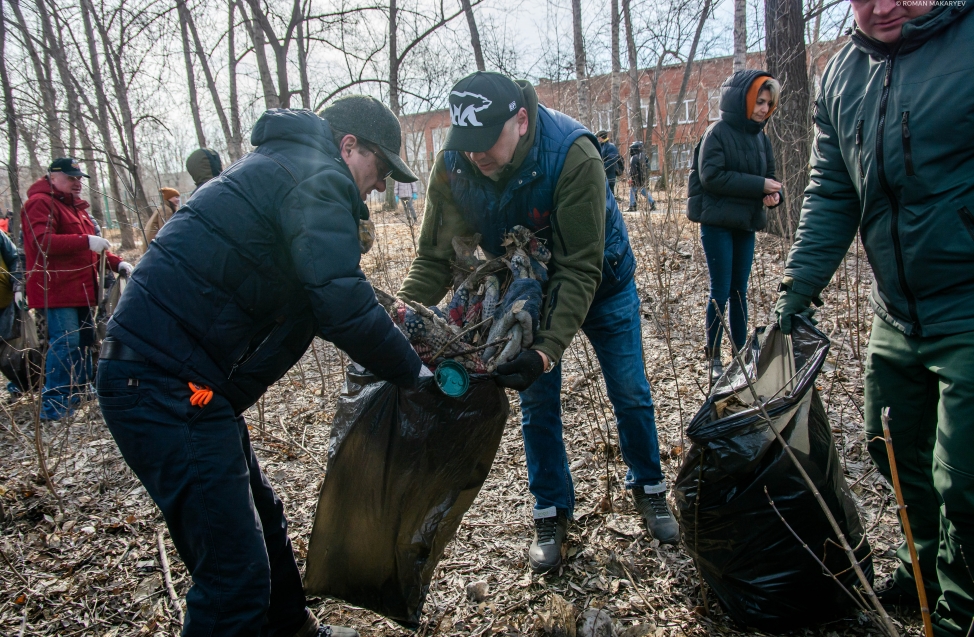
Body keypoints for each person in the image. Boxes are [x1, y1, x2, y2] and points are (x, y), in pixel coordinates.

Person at [98, 97, 427, 637]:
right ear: (349, 147)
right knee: (233, 578)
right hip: (164, 386)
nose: (381, 185)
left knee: (263, 519)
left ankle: (294, 631)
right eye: (380, 168)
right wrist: (412, 373)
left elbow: (317, 293)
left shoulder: (288, 165)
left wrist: (382, 316)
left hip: (182, 384)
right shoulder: (317, 176)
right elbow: (339, 305)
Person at [399, 71, 677, 575]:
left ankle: (650, 486)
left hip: (602, 282)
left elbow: (578, 267)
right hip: (525, 291)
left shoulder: (573, 154)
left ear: (521, 121)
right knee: (538, 403)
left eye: (486, 142)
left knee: (631, 391)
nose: (475, 154)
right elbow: (435, 259)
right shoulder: (455, 166)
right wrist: (401, 315)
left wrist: (546, 349)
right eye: (466, 143)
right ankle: (550, 507)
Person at [774, 2, 974, 635]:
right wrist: (797, 290)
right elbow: (833, 192)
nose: (883, 6)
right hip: (896, 311)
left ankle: (960, 613)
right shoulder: (841, 76)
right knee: (890, 450)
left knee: (964, 478)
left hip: (968, 307)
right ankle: (924, 572)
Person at [687, 70, 781, 382]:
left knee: (740, 292)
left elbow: (770, 178)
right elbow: (711, 177)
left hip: (745, 224)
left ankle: (740, 355)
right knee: (721, 291)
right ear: (743, 99)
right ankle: (713, 355)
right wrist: (759, 186)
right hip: (717, 224)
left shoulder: (761, 138)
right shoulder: (717, 132)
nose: (763, 109)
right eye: (759, 101)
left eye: (768, 103)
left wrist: (773, 197)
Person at [20, 158, 132, 420]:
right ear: (53, 177)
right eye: (71, 178)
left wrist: (117, 263)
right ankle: (55, 405)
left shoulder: (76, 209)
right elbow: (42, 242)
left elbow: (94, 249)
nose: (77, 182)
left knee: (83, 342)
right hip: (56, 290)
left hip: (80, 289)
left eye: (79, 177)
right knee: (66, 344)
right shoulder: (39, 203)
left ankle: (80, 393)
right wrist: (85, 241)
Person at [627, 141, 656, 211]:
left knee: (633, 191)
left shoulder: (634, 158)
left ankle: (632, 206)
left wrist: (632, 179)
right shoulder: (644, 156)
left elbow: (633, 170)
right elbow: (648, 168)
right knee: (643, 191)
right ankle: (652, 202)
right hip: (643, 178)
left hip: (636, 178)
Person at [596, 130, 623, 196]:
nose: (597, 139)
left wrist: (602, 168)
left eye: (598, 137)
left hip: (609, 176)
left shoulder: (610, 147)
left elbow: (612, 160)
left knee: (609, 196)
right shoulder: (600, 146)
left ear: (601, 137)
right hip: (603, 176)